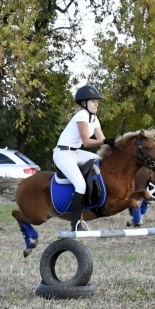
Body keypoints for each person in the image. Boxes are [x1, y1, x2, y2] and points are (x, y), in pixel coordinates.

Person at [53, 85, 115, 231]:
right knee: (80, 185)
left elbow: (103, 141)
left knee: (101, 162)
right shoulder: (81, 116)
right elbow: (87, 142)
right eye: (93, 101)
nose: (96, 104)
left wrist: (115, 146)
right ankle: (75, 223)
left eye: (97, 101)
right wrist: (105, 142)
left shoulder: (94, 118)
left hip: (75, 152)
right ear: (84, 103)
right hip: (63, 154)